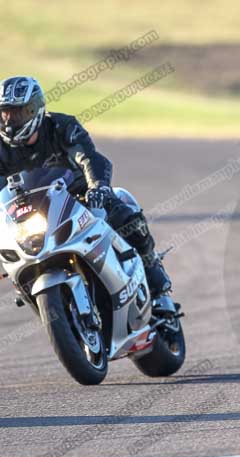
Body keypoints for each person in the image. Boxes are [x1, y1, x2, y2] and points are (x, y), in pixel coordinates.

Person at [0, 76, 171, 297]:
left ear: (35, 109)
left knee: (124, 215)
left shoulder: (62, 126)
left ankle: (151, 267)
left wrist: (98, 187)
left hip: (78, 197)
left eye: (17, 113)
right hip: (29, 212)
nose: (9, 121)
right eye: (5, 114)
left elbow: (89, 158)